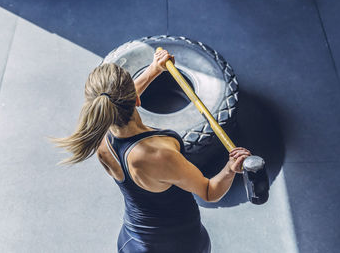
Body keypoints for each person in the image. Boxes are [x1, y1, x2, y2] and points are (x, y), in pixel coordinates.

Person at [49, 50, 251, 253]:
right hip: (180, 245)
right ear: (137, 101)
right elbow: (209, 192)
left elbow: (118, 101)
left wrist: (153, 70)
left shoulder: (98, 133)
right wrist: (230, 168)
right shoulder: (157, 155)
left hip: (131, 242)